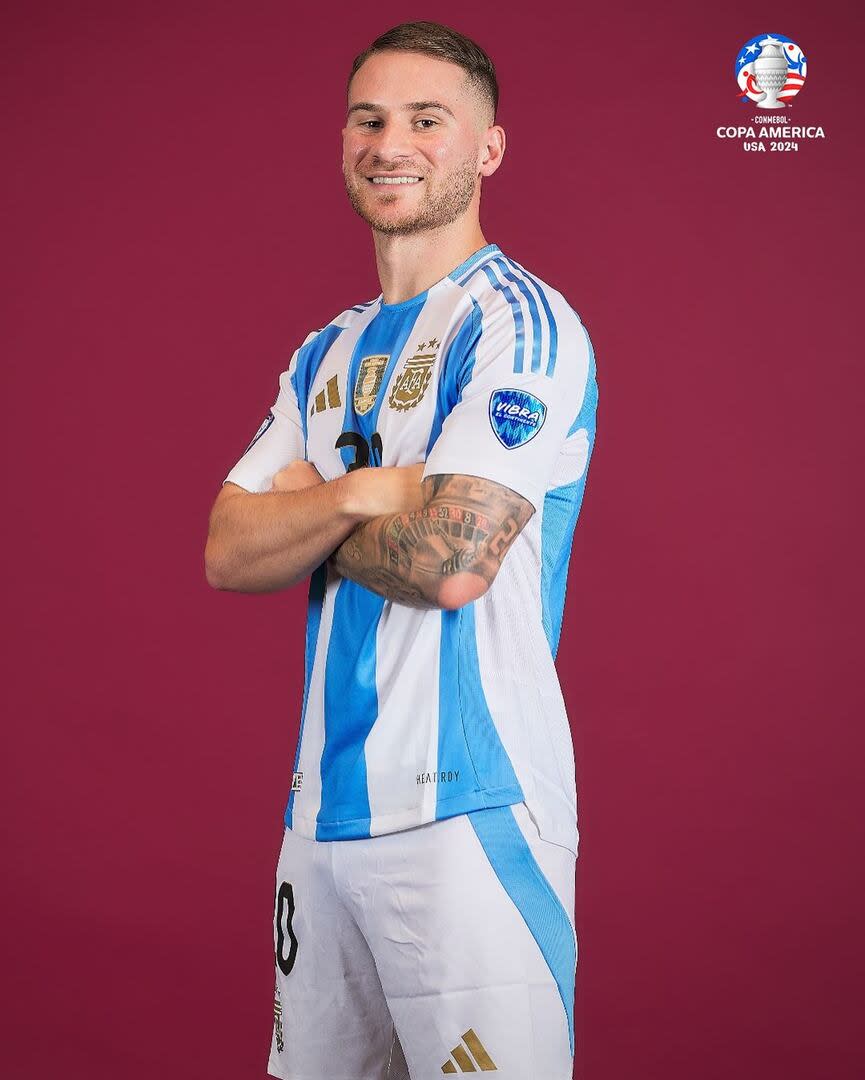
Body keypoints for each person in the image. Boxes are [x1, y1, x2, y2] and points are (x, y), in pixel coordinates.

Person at [205, 20, 598, 1080]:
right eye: (370, 119)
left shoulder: (521, 324)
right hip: (321, 820)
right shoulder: (321, 352)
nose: (392, 144)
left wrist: (310, 509)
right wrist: (367, 491)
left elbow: (448, 563)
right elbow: (228, 549)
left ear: (487, 149)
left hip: (466, 810)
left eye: (428, 120)